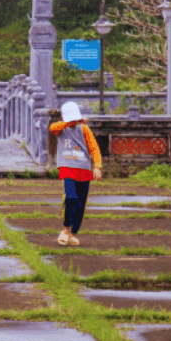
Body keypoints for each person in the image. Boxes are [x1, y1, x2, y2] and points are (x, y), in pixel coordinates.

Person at [49, 102, 102, 246]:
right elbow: (52, 128)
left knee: (81, 202)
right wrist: (68, 122)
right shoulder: (60, 129)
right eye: (70, 119)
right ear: (63, 118)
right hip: (67, 168)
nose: (73, 122)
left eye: (75, 119)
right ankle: (66, 229)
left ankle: (73, 233)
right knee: (71, 197)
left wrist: (97, 166)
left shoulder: (84, 129)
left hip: (83, 169)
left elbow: (94, 148)